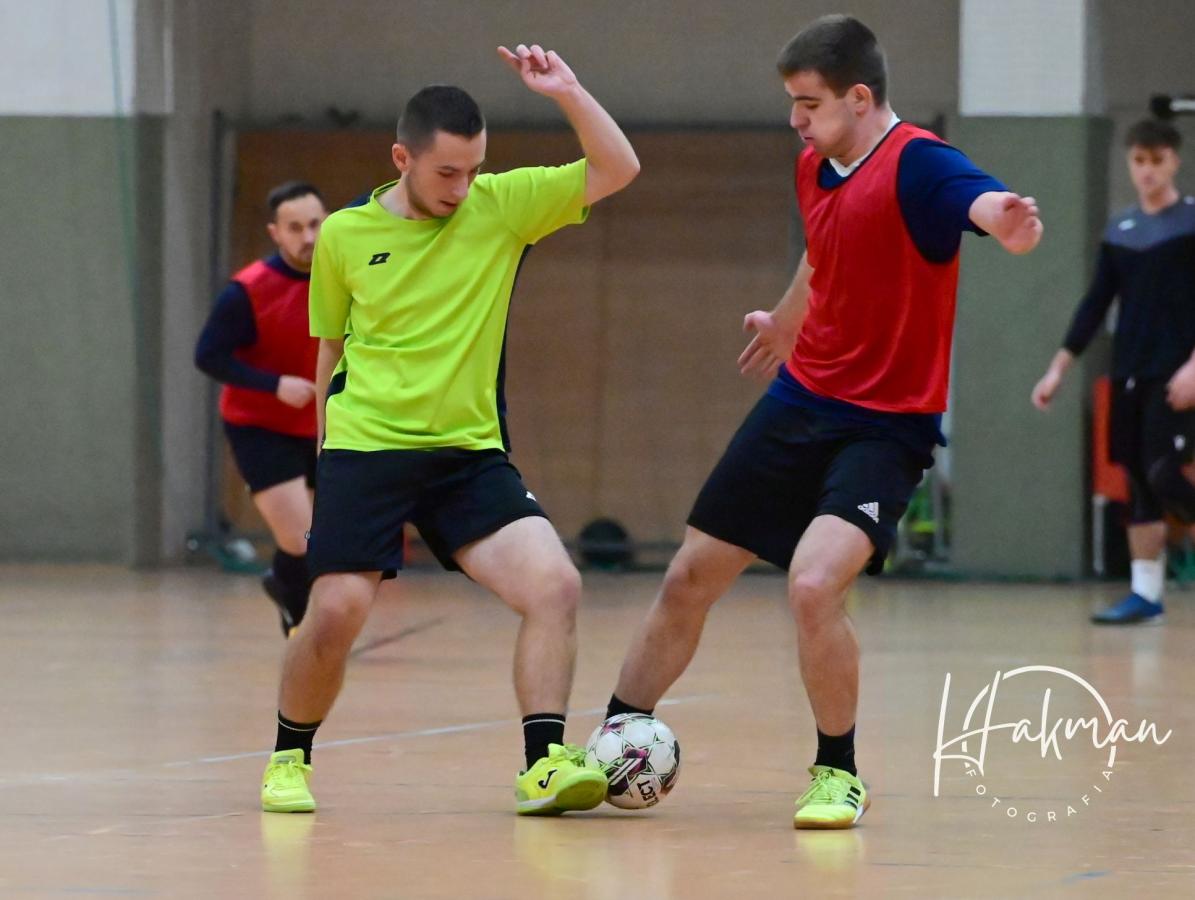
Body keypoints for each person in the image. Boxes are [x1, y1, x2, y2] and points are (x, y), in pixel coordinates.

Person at [604, 14, 1042, 830]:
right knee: (688, 576)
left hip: (884, 428)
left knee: (811, 586)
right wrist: (784, 321)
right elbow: (822, 251)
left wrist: (1003, 220)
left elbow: (975, 198)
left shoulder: (918, 163)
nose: (795, 120)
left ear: (859, 98)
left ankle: (837, 773)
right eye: (792, 104)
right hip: (801, 399)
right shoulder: (815, 164)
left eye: (808, 104)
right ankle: (609, 741)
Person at [259, 44, 639, 815]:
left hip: (467, 455)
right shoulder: (344, 236)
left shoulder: (500, 207)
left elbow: (617, 167)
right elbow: (330, 349)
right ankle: (289, 757)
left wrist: (567, 91)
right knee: (335, 611)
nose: (460, 188)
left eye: (472, 170)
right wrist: (327, 455)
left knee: (555, 585)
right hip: (366, 449)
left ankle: (543, 765)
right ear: (402, 158)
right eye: (445, 173)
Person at [1032, 118, 1195, 625]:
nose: (1147, 171)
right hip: (1130, 372)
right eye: (1138, 161)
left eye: (1157, 161)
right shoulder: (1120, 231)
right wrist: (1058, 369)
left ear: (1174, 161)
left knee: (1165, 473)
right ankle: (1146, 595)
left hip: (1178, 374)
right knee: (1138, 483)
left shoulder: (1191, 223)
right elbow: (1096, 303)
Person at [195, 181, 327, 636]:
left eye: (315, 224)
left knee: (323, 538)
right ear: (275, 233)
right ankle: (303, 626)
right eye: (295, 228)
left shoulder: (342, 278)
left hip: (320, 426)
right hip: (260, 426)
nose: (308, 237)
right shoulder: (247, 291)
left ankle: (284, 587)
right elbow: (208, 356)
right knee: (300, 537)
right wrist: (274, 385)